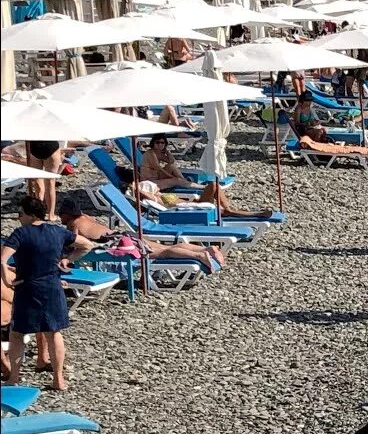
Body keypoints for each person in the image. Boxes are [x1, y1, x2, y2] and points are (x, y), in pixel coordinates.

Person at [2, 197, 96, 390]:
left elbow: (3, 260)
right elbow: (87, 245)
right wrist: (67, 260)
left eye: (20, 213)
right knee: (54, 333)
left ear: (29, 214)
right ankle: (58, 379)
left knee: (18, 334)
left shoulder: (20, 233)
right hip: (52, 286)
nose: (19, 217)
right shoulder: (58, 231)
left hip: (27, 287)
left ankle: (14, 377)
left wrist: (7, 280)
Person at [57, 200, 224, 270]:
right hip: (123, 234)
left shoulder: (74, 224)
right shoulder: (87, 217)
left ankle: (200, 256)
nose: (60, 219)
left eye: (61, 215)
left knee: (162, 253)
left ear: (67, 214)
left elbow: (75, 243)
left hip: (120, 243)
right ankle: (207, 250)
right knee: (167, 247)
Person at [25, 140, 63, 216]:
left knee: (38, 181)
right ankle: (50, 214)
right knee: (49, 183)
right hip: (50, 146)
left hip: (34, 147)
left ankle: (40, 211)